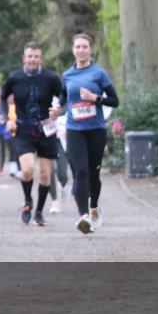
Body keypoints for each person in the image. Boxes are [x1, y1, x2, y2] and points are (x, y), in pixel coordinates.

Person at [0, 42, 64, 226]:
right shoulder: (15, 78)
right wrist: (7, 119)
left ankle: (39, 212)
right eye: (30, 56)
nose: (33, 60)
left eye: (36, 56)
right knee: (27, 170)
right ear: (24, 58)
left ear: (41, 59)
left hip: (46, 129)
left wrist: (59, 110)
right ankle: (28, 200)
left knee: (45, 175)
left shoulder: (51, 78)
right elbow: (2, 98)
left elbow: (64, 98)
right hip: (23, 129)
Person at [60, 33, 119, 234]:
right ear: (73, 50)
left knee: (93, 173)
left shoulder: (99, 73)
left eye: (85, 47)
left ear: (90, 50)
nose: (81, 50)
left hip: (96, 130)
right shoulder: (67, 75)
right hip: (74, 130)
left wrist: (95, 98)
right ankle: (83, 216)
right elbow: (62, 102)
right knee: (81, 172)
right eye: (78, 47)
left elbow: (115, 101)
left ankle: (94, 206)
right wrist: (56, 111)